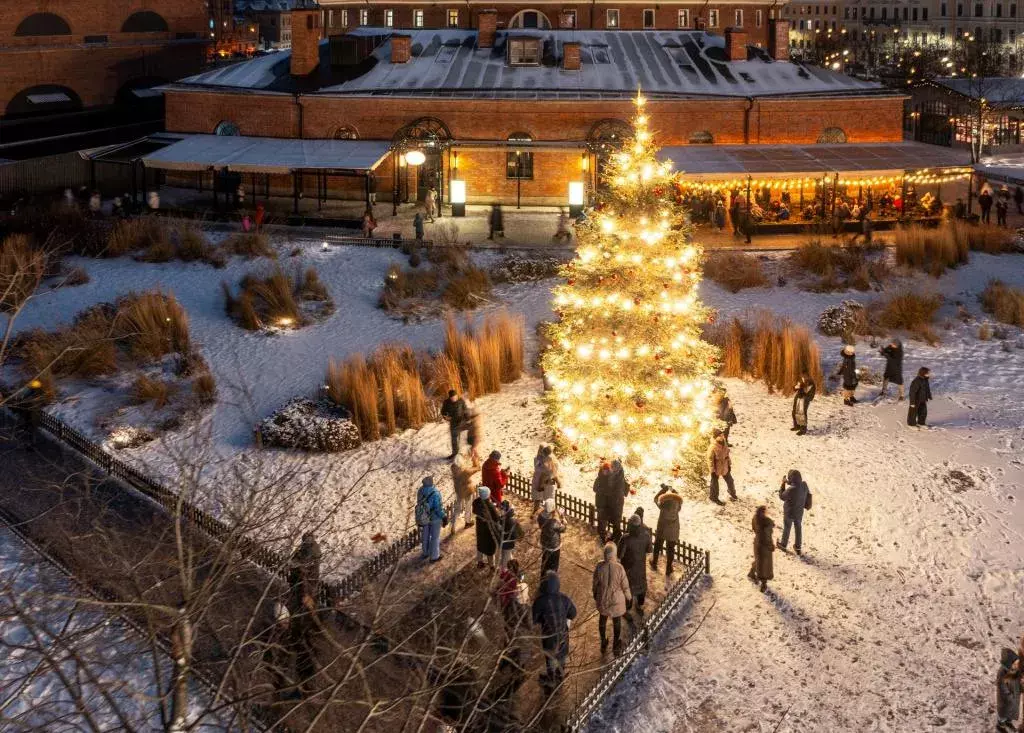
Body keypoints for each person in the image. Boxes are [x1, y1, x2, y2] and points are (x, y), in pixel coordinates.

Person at [531, 571, 577, 693]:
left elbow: (534, 619)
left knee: (550, 656)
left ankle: (551, 679)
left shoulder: (540, 601)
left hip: (549, 635)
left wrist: (542, 619)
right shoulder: (564, 598)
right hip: (563, 633)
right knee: (561, 654)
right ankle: (560, 675)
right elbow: (573, 613)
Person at [592, 543, 631, 655]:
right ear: (614, 554)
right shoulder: (619, 567)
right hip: (616, 600)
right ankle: (615, 644)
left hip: (603, 597)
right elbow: (625, 585)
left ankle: (603, 640)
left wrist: (595, 593)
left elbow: (595, 582)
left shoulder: (599, 566)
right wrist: (628, 597)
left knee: (602, 619)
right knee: (617, 621)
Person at [618, 513, 652, 616]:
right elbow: (649, 550)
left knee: (628, 588)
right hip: (640, 567)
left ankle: (627, 610)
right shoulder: (646, 536)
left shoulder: (625, 539)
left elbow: (619, 555)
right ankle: (640, 605)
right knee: (641, 585)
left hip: (628, 568)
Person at [593, 459, 629, 544]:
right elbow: (595, 488)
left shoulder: (619, 479)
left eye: (613, 468)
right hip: (604, 504)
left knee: (615, 522)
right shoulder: (604, 477)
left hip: (615, 505)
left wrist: (607, 493)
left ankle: (616, 538)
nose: (612, 470)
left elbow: (619, 492)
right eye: (611, 467)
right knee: (602, 523)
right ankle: (604, 538)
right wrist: (604, 491)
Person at [651, 484, 683, 575]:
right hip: (673, 530)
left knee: (658, 545)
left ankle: (654, 562)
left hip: (662, 528)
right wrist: (673, 491)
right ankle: (669, 568)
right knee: (671, 549)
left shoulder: (663, 505)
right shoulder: (677, 505)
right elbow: (678, 497)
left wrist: (664, 490)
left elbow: (655, 498)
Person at [777, 470, 810, 555]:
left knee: (787, 527)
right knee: (798, 528)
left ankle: (783, 545)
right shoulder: (804, 485)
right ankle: (798, 547)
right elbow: (796, 485)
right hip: (799, 512)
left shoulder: (791, 490)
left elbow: (782, 496)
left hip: (789, 513)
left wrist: (783, 484)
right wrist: (788, 482)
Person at [415, 476, 447, 563]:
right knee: (435, 537)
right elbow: (438, 508)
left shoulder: (420, 491)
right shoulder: (435, 492)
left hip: (424, 517)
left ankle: (425, 552)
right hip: (435, 518)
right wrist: (443, 516)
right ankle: (434, 556)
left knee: (425, 536)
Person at [495, 558, 528, 639]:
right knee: (518, 617)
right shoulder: (520, 576)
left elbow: (500, 575)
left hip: (508, 602)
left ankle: (509, 635)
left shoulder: (507, 576)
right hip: (519, 602)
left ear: (509, 568)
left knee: (508, 619)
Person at [449, 451, 479, 533]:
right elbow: (477, 468)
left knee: (457, 508)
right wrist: (474, 459)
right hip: (467, 491)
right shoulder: (465, 472)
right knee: (468, 506)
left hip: (459, 491)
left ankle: (453, 525)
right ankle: (467, 521)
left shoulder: (453, 469)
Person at [472, 485, 500, 569]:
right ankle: (492, 565)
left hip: (480, 527)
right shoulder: (490, 506)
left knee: (480, 545)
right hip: (488, 530)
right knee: (489, 548)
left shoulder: (476, 502)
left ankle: (480, 562)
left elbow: (474, 511)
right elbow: (496, 518)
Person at [748, 506, 775, 593]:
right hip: (765, 547)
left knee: (758, 560)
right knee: (765, 566)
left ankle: (752, 572)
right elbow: (767, 537)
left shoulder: (755, 519)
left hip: (757, 544)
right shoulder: (767, 523)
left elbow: (754, 528)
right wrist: (771, 546)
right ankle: (763, 584)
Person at [536, 498, 565, 576]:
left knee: (544, 561)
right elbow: (563, 529)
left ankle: (543, 577)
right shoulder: (554, 522)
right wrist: (562, 516)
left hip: (544, 542)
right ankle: (551, 580)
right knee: (553, 564)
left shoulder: (541, 516)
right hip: (553, 545)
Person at [997, 646, 1022, 733]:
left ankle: (1008, 722)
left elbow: (1017, 681)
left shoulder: (1015, 671)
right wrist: (1009, 696)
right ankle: (1001, 725)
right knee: (1004, 712)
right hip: (1006, 698)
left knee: (1011, 712)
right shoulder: (1002, 672)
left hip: (1014, 695)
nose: (1016, 665)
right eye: (1014, 663)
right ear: (1008, 663)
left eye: (1017, 663)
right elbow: (1001, 685)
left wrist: (1021, 687)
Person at [707, 430, 736, 505]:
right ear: (716, 437)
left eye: (722, 435)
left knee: (730, 481)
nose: (722, 437)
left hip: (725, 466)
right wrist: (712, 471)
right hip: (717, 468)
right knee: (715, 484)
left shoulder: (724, 443)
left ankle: (732, 492)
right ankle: (713, 497)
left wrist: (729, 465)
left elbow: (727, 455)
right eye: (720, 436)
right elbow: (710, 459)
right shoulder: (712, 447)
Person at [531, 445, 561, 511]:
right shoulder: (539, 460)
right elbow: (552, 474)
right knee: (545, 501)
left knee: (547, 502)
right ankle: (542, 514)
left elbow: (552, 473)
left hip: (545, 483)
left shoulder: (542, 460)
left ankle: (543, 514)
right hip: (544, 482)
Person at [440, 389, 467, 459]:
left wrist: (467, 418)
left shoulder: (461, 401)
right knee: (454, 439)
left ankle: (462, 454)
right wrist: (446, 416)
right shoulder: (446, 402)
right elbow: (443, 411)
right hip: (453, 422)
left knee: (463, 439)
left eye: (455, 397)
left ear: (457, 396)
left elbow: (465, 410)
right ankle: (455, 454)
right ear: (449, 397)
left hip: (462, 422)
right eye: (452, 398)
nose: (453, 399)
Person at [499, 500, 523, 569]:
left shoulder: (501, 520)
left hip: (504, 542)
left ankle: (504, 568)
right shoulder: (512, 521)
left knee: (506, 555)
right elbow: (520, 533)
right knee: (506, 556)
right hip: (508, 543)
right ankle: (504, 569)